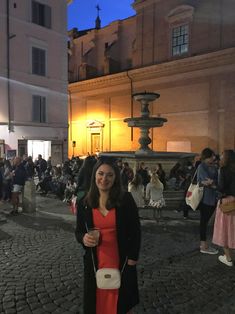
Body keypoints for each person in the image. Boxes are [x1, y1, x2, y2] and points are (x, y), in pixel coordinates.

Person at [75, 157, 141, 314]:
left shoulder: (126, 200)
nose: (104, 179)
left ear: (115, 178)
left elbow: (135, 230)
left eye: (110, 175)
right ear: (94, 176)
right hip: (95, 260)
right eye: (101, 174)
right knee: (97, 301)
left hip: (121, 260)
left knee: (120, 302)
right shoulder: (84, 202)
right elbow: (78, 231)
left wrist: (132, 258)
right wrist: (83, 238)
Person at [212, 149, 235, 266]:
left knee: (224, 230)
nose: (220, 157)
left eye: (221, 156)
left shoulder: (223, 170)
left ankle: (228, 258)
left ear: (225, 158)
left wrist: (212, 184)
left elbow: (221, 188)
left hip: (227, 203)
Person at [197, 147, 218, 254]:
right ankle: (203, 245)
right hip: (205, 198)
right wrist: (213, 183)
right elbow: (206, 181)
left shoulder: (213, 166)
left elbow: (215, 182)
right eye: (211, 156)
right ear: (206, 157)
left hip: (214, 198)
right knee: (204, 222)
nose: (213, 158)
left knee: (208, 221)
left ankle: (207, 243)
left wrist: (213, 183)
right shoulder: (202, 166)